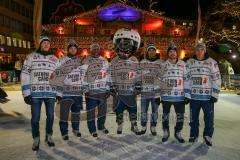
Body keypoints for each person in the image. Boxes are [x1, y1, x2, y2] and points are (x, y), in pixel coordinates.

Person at [21, 35, 62, 151]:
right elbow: (25, 74)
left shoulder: (55, 59)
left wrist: (59, 93)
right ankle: (36, 138)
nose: (46, 45)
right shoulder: (31, 57)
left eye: (48, 43)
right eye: (44, 43)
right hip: (35, 94)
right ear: (40, 44)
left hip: (50, 93)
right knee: (35, 118)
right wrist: (26, 93)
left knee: (50, 117)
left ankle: (49, 136)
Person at [187, 43, 221, 146]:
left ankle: (207, 136)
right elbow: (186, 79)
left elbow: (217, 79)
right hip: (194, 97)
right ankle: (194, 134)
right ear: (195, 51)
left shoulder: (212, 62)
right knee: (193, 118)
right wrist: (187, 94)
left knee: (209, 119)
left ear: (205, 51)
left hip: (207, 98)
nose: (199, 52)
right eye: (197, 50)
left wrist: (214, 95)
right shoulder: (190, 62)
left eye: (202, 50)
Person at [110, 28, 141, 135]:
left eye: (128, 45)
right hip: (119, 92)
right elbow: (111, 75)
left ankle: (134, 125)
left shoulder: (134, 60)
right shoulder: (114, 61)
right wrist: (111, 87)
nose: (125, 48)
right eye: (123, 45)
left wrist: (138, 85)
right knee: (119, 111)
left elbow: (138, 74)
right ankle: (120, 124)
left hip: (131, 92)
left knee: (133, 110)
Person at [160, 42, 189, 143]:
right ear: (168, 53)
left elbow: (187, 80)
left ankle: (178, 132)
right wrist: (156, 95)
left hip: (180, 97)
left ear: (177, 53)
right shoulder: (163, 65)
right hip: (166, 96)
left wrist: (187, 95)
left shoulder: (183, 64)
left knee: (180, 116)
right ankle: (166, 131)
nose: (172, 53)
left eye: (174, 52)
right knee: (165, 116)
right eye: (170, 51)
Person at [58, 39, 86, 140]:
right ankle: (64, 132)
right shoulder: (61, 60)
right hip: (65, 93)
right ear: (68, 49)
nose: (73, 50)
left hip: (77, 93)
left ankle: (76, 129)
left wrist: (83, 87)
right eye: (71, 48)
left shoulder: (79, 61)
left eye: (75, 48)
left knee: (76, 113)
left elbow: (83, 76)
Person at [83, 43, 110, 137]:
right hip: (91, 91)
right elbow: (83, 76)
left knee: (102, 111)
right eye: (93, 49)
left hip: (102, 91)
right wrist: (86, 90)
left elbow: (108, 75)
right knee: (91, 111)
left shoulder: (105, 61)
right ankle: (92, 129)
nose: (95, 51)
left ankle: (101, 126)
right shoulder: (86, 61)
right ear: (91, 50)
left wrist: (107, 88)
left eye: (97, 49)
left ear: (99, 50)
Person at [139, 43, 163, 136]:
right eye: (150, 50)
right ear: (147, 51)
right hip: (144, 92)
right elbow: (138, 75)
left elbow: (162, 77)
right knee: (143, 112)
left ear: (155, 51)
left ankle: (153, 127)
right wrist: (137, 86)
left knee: (155, 112)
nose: (151, 52)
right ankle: (143, 126)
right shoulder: (142, 62)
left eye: (153, 50)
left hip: (155, 93)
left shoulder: (160, 63)